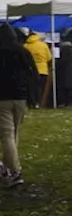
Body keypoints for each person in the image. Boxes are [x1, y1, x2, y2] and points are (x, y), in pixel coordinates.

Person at [0, 24, 38, 188]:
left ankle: (14, 171)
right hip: (21, 97)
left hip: (2, 97)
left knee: (7, 134)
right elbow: (33, 74)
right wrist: (32, 96)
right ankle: (10, 169)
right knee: (14, 133)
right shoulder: (23, 51)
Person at [22, 29, 51, 109]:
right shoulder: (43, 45)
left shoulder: (25, 46)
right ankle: (38, 102)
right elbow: (49, 57)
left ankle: (32, 102)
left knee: (31, 88)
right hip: (43, 70)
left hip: (30, 70)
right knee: (40, 88)